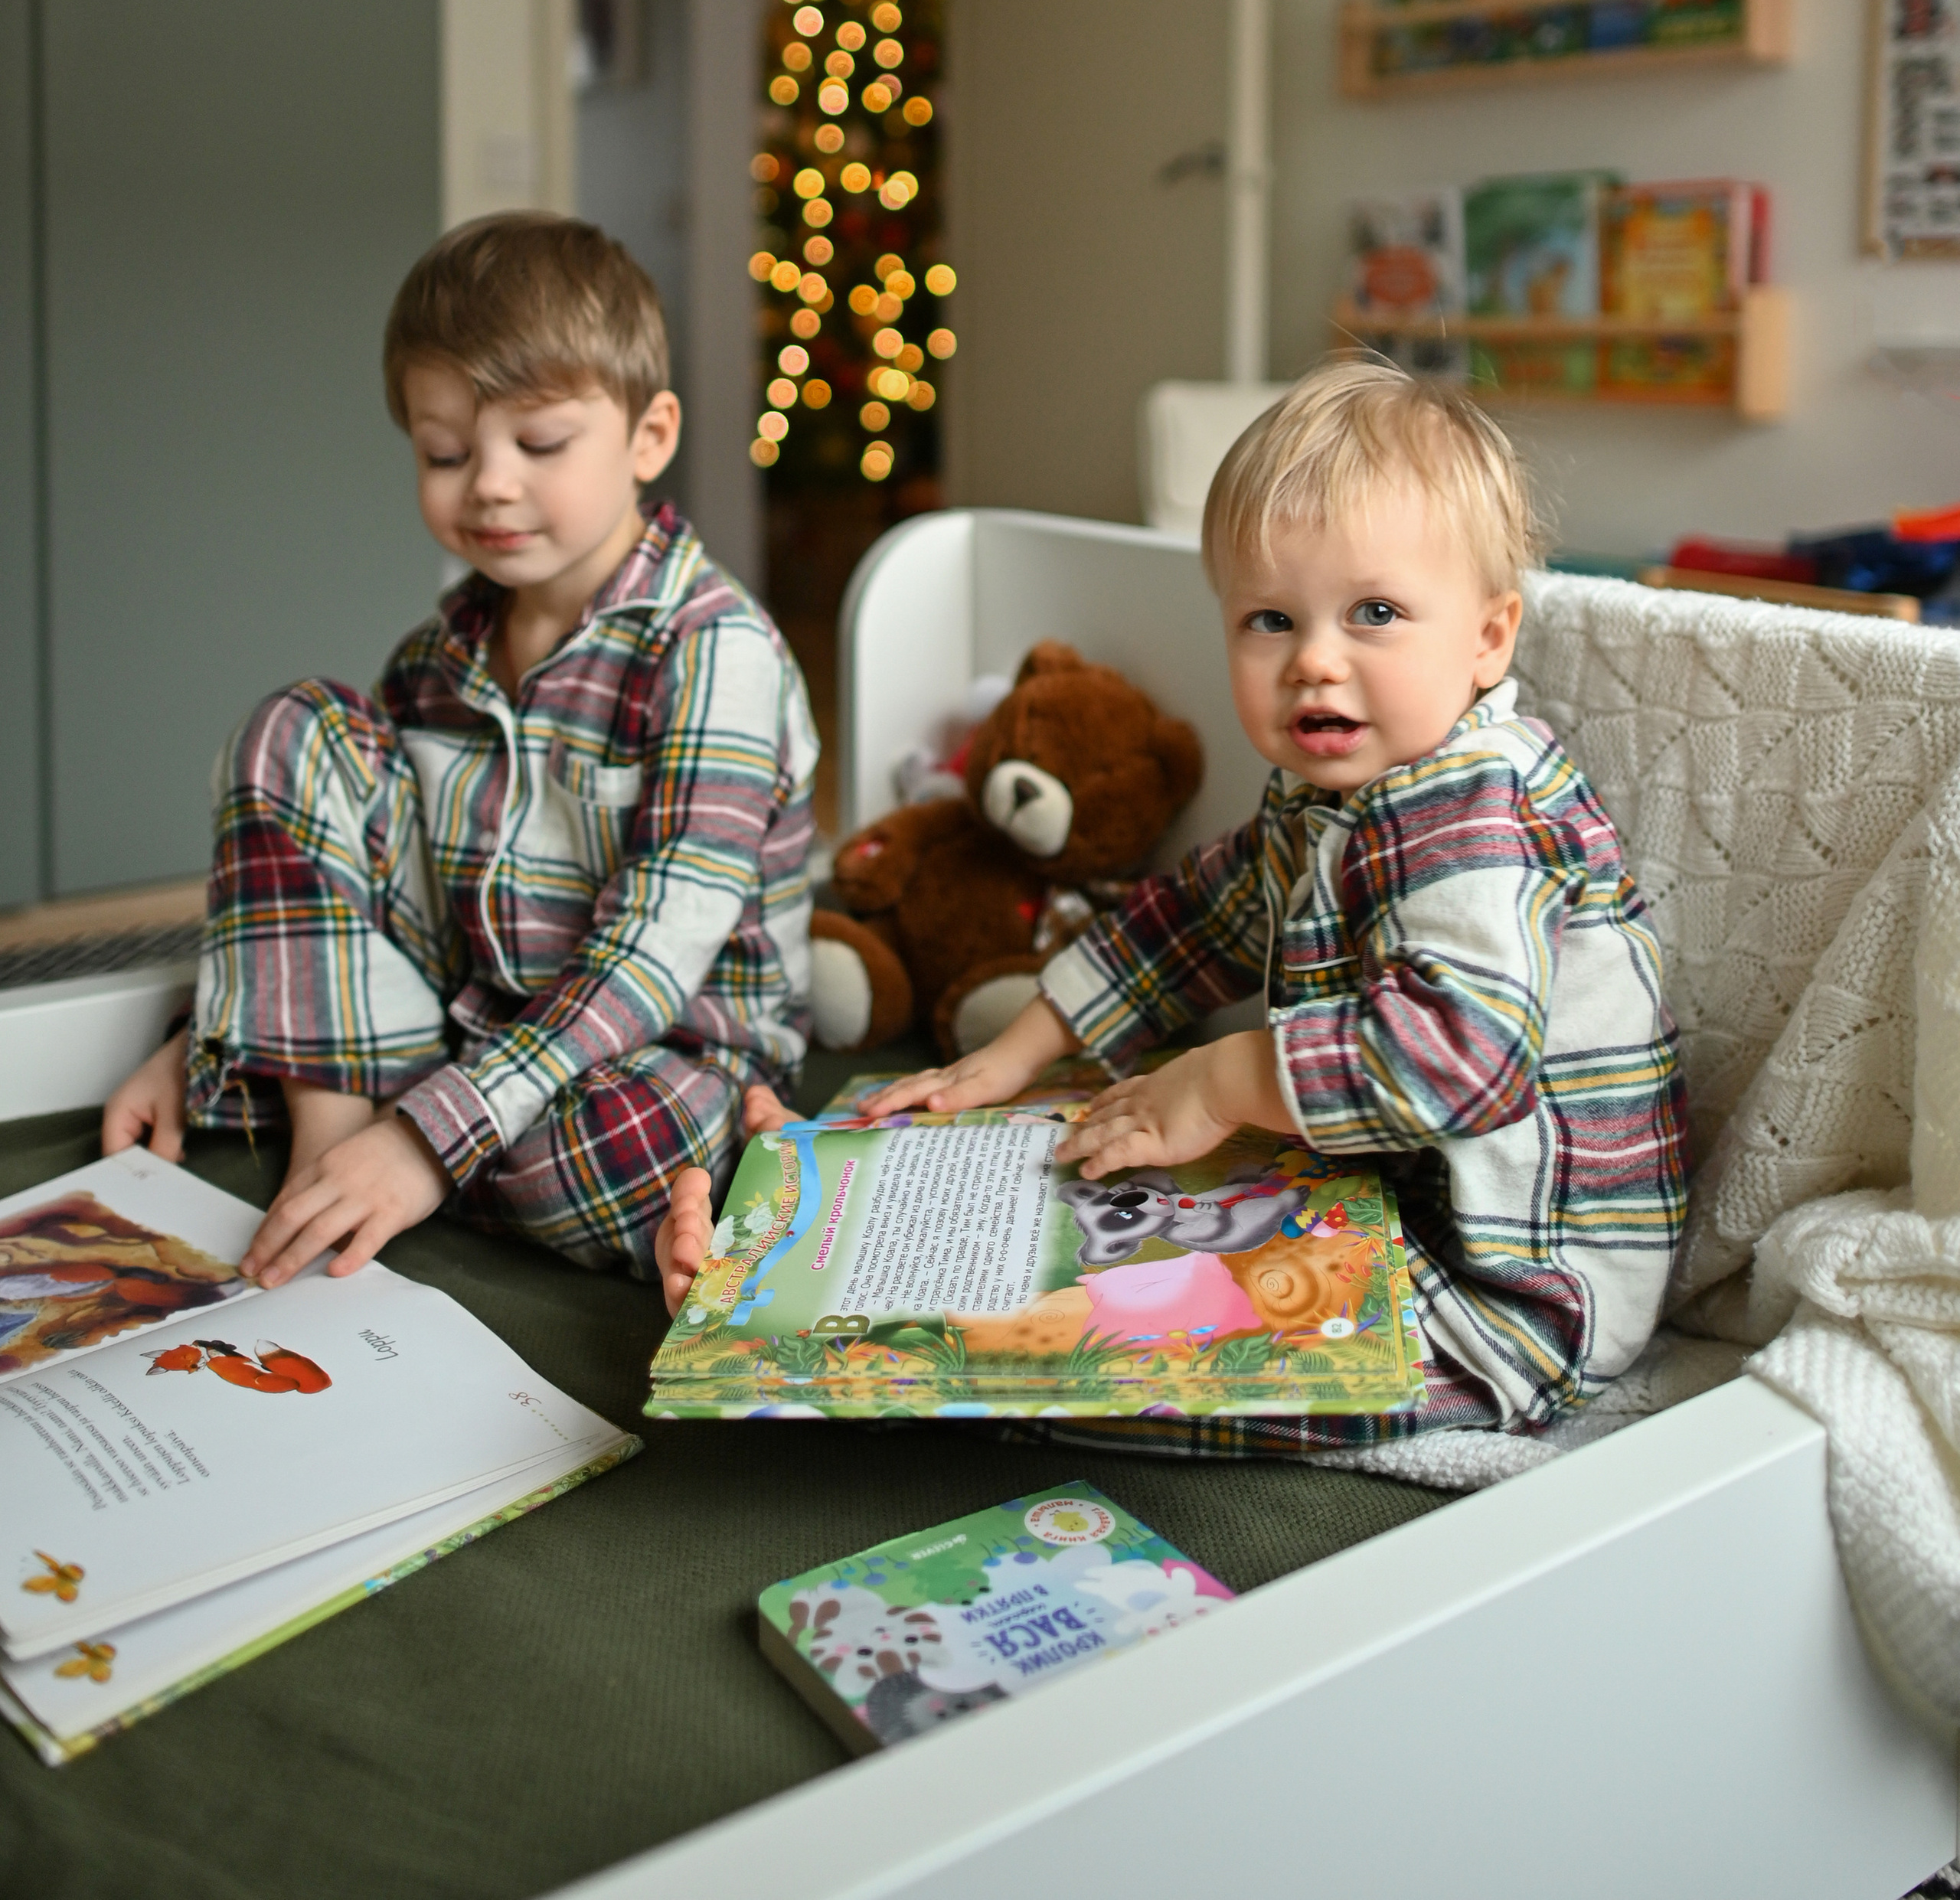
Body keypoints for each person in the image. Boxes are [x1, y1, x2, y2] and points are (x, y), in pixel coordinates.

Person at [656, 360, 1687, 1452]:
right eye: (1270, 620)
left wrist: (1225, 1077)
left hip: (1508, 1289)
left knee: (1138, 1362)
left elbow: (1461, 1060)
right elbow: (1191, 920)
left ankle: (869, 1360)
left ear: (1488, 638)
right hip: (1384, 1196)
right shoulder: (1330, 793)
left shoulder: (1468, 813)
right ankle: (817, 1244)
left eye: (1375, 613)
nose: (1315, 663)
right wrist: (1014, 1056)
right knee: (1092, 1178)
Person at [105, 213, 817, 1291]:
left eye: (539, 445)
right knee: (294, 727)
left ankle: (396, 1136)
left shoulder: (713, 650)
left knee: (635, 1146)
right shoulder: (439, 653)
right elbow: (329, 876)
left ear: (648, 436)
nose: (487, 483)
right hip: (470, 1013)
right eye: (445, 453)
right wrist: (204, 1028)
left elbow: (652, 962)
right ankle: (330, 1150)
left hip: (658, 1047)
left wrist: (433, 1128)